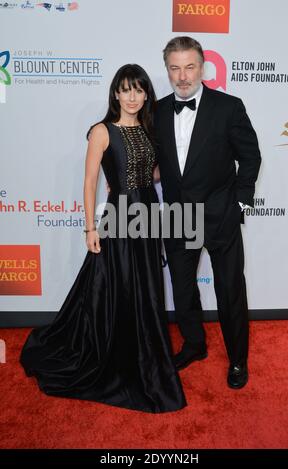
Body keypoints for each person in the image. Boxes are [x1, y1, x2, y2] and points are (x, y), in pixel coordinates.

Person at [20, 64, 186, 413]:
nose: (132, 97)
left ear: (146, 95)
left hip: (149, 212)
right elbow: (89, 182)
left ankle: (146, 349)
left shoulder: (147, 128)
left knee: (147, 285)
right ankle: (117, 351)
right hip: (120, 213)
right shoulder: (101, 131)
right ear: (115, 93)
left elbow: (150, 170)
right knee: (116, 282)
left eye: (139, 90)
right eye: (125, 90)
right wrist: (89, 228)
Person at [154, 36, 261, 389]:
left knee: (230, 290)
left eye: (189, 67)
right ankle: (195, 345)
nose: (182, 76)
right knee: (183, 290)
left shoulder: (228, 107)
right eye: (175, 67)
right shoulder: (156, 109)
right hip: (177, 217)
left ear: (203, 67)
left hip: (220, 215)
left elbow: (250, 157)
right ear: (167, 69)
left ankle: (238, 360)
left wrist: (240, 202)